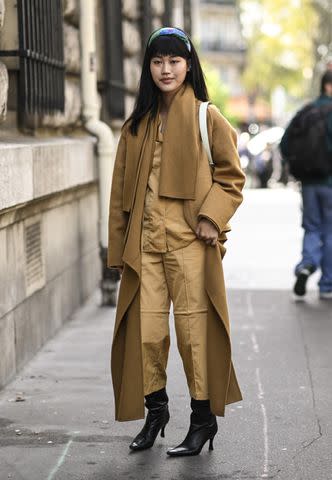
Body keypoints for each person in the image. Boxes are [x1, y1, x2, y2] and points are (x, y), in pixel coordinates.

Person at [107, 27, 245, 457]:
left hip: (189, 245)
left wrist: (210, 217)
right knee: (146, 334)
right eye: (157, 61)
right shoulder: (136, 126)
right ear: (148, 68)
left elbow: (232, 177)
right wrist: (117, 250)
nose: (166, 69)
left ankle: (202, 420)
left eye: (174, 61)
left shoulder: (208, 117)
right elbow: (119, 195)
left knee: (192, 335)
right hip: (145, 247)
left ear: (188, 66)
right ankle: (156, 411)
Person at [280, 70, 332, 300]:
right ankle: (327, 284)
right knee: (330, 231)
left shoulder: (306, 111)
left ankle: (307, 264)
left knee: (312, 227)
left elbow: (284, 144)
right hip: (330, 182)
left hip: (309, 184)